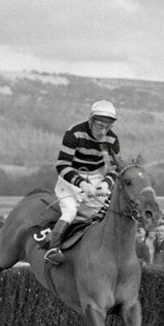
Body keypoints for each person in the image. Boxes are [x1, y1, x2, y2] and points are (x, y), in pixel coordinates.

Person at [45, 100, 124, 265]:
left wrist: (106, 184)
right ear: (91, 120)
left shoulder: (112, 140)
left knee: (108, 211)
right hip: (71, 178)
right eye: (100, 126)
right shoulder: (74, 133)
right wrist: (81, 184)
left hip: (96, 176)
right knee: (70, 211)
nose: (103, 131)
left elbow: (113, 168)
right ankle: (54, 248)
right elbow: (62, 165)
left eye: (107, 127)